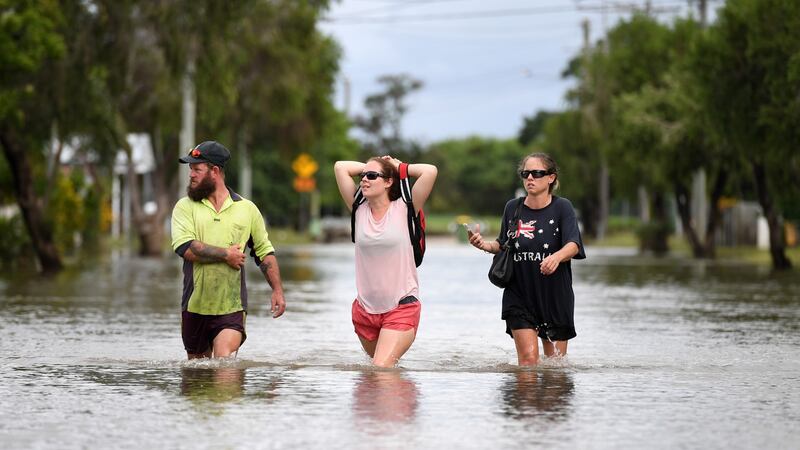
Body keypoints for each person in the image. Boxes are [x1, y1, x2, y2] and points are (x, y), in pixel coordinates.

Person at [171, 140, 286, 360]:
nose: (191, 175)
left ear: (214, 171)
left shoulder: (247, 209)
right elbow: (186, 248)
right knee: (197, 379)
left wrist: (277, 290)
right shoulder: (184, 207)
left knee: (223, 361)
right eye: (190, 170)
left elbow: (264, 253)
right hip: (194, 305)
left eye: (197, 169)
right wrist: (227, 255)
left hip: (231, 307)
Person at [467, 152, 585, 365]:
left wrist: (556, 257)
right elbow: (503, 244)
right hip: (519, 294)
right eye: (525, 173)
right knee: (528, 362)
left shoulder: (562, 207)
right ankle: (524, 400)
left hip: (555, 296)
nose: (530, 178)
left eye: (537, 173)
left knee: (554, 367)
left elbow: (574, 245)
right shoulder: (513, 207)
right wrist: (484, 245)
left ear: (551, 178)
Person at [333, 156, 437, 367]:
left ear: (389, 181)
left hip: (401, 307)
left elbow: (430, 171)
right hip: (365, 311)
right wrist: (375, 166)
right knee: (376, 379)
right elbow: (340, 167)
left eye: (372, 176)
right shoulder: (358, 208)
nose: (364, 180)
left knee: (380, 369)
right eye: (362, 176)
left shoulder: (406, 207)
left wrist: (397, 167)